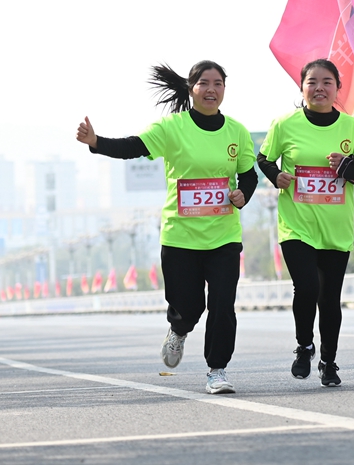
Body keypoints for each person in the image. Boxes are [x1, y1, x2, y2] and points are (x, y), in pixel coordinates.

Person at [76, 60, 257, 395]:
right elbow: (134, 146)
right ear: (191, 89)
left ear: (224, 90)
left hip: (224, 235)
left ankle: (217, 370)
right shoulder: (173, 128)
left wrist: (243, 193)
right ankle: (178, 329)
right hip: (180, 236)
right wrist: (97, 141)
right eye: (204, 83)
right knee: (189, 306)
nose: (211, 89)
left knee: (222, 303)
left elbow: (248, 173)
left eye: (218, 83)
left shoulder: (237, 131)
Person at [258, 59, 354, 387]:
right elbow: (263, 158)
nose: (320, 88)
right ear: (302, 88)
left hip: (336, 228)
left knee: (329, 299)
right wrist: (276, 176)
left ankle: (329, 361)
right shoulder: (285, 124)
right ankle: (304, 346)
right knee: (307, 287)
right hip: (296, 224)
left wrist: (347, 166)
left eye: (327, 82)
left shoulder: (352, 128)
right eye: (312, 82)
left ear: (338, 88)